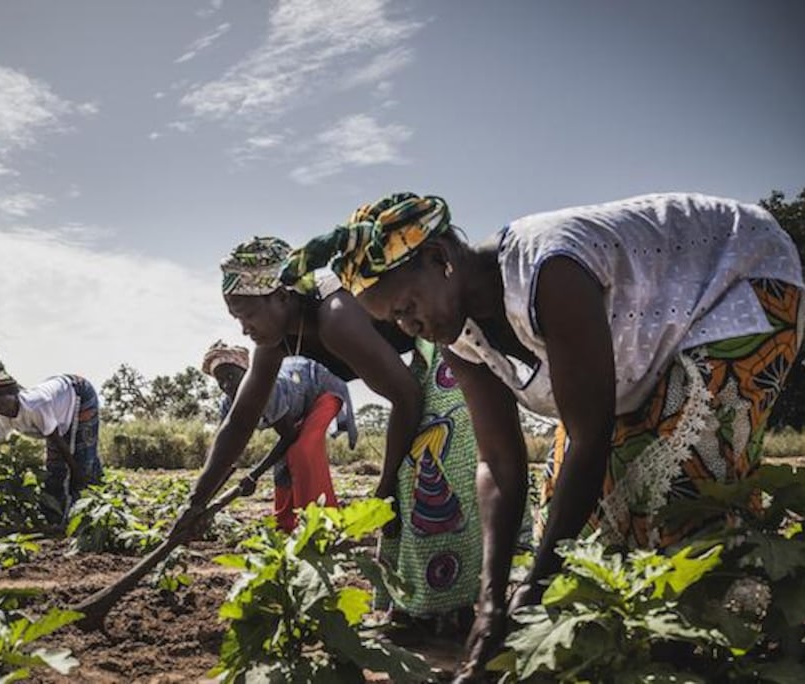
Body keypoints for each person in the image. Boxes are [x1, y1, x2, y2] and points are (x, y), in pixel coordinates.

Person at [286, 191, 803, 680]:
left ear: (442, 259)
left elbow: (590, 436)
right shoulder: (458, 336)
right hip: (654, 346)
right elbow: (499, 465)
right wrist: (493, 604)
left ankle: (713, 647)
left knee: (680, 478)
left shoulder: (548, 270)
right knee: (566, 504)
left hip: (739, 277)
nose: (409, 326)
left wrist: (533, 587)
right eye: (395, 321)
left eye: (406, 306)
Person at [172, 236, 482, 619]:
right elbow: (240, 421)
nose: (243, 329)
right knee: (408, 481)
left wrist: (383, 487)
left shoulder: (335, 317)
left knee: (429, 466)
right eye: (237, 319)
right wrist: (196, 501)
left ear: (282, 298)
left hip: (443, 342)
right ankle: (413, 606)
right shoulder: (275, 343)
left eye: (247, 315)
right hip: (415, 364)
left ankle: (451, 608)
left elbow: (406, 397)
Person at [201, 340, 356, 531]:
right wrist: (200, 502)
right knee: (283, 463)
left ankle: (321, 524)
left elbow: (288, 435)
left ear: (247, 372)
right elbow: (224, 451)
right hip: (297, 404)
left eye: (231, 376)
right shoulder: (228, 404)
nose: (226, 384)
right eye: (220, 381)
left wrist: (253, 476)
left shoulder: (267, 389)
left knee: (302, 452)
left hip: (322, 387)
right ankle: (285, 524)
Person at [0, 372, 103, 518]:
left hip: (78, 392)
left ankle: (91, 510)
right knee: (55, 471)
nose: (2, 409)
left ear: (14, 395)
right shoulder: (1, 418)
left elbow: (57, 440)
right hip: (57, 407)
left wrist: (76, 472)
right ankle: (55, 516)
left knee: (82, 462)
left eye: (3, 403)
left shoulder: (35, 406)